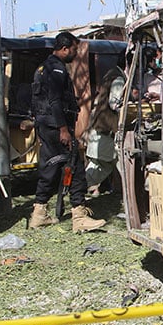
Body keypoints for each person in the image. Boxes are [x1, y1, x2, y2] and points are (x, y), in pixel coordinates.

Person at [29, 31, 106, 233]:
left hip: (46, 126)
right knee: (75, 167)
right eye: (73, 49)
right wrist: (64, 129)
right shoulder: (57, 70)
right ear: (64, 48)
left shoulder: (43, 68)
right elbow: (54, 100)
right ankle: (79, 216)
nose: (75, 52)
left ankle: (39, 214)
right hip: (57, 127)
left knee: (50, 168)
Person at [84, 66, 126, 197]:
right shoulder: (118, 79)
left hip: (103, 131)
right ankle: (75, 192)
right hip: (105, 133)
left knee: (111, 166)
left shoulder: (110, 75)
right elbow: (115, 103)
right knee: (100, 167)